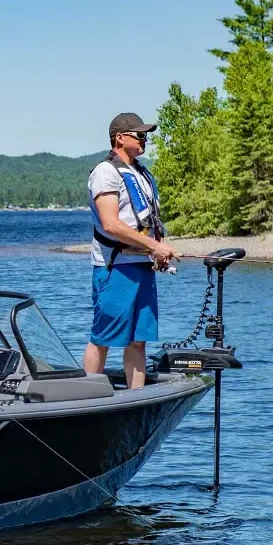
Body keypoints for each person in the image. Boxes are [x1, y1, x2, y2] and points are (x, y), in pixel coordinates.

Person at [82, 113, 178, 389]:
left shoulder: (141, 172)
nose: (145, 139)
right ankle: (88, 396)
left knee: (138, 340)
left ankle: (135, 397)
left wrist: (156, 253)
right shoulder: (105, 173)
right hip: (115, 268)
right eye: (139, 135)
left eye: (146, 135)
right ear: (120, 138)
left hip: (142, 266)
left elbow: (146, 221)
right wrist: (155, 247)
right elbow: (111, 224)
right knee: (104, 337)